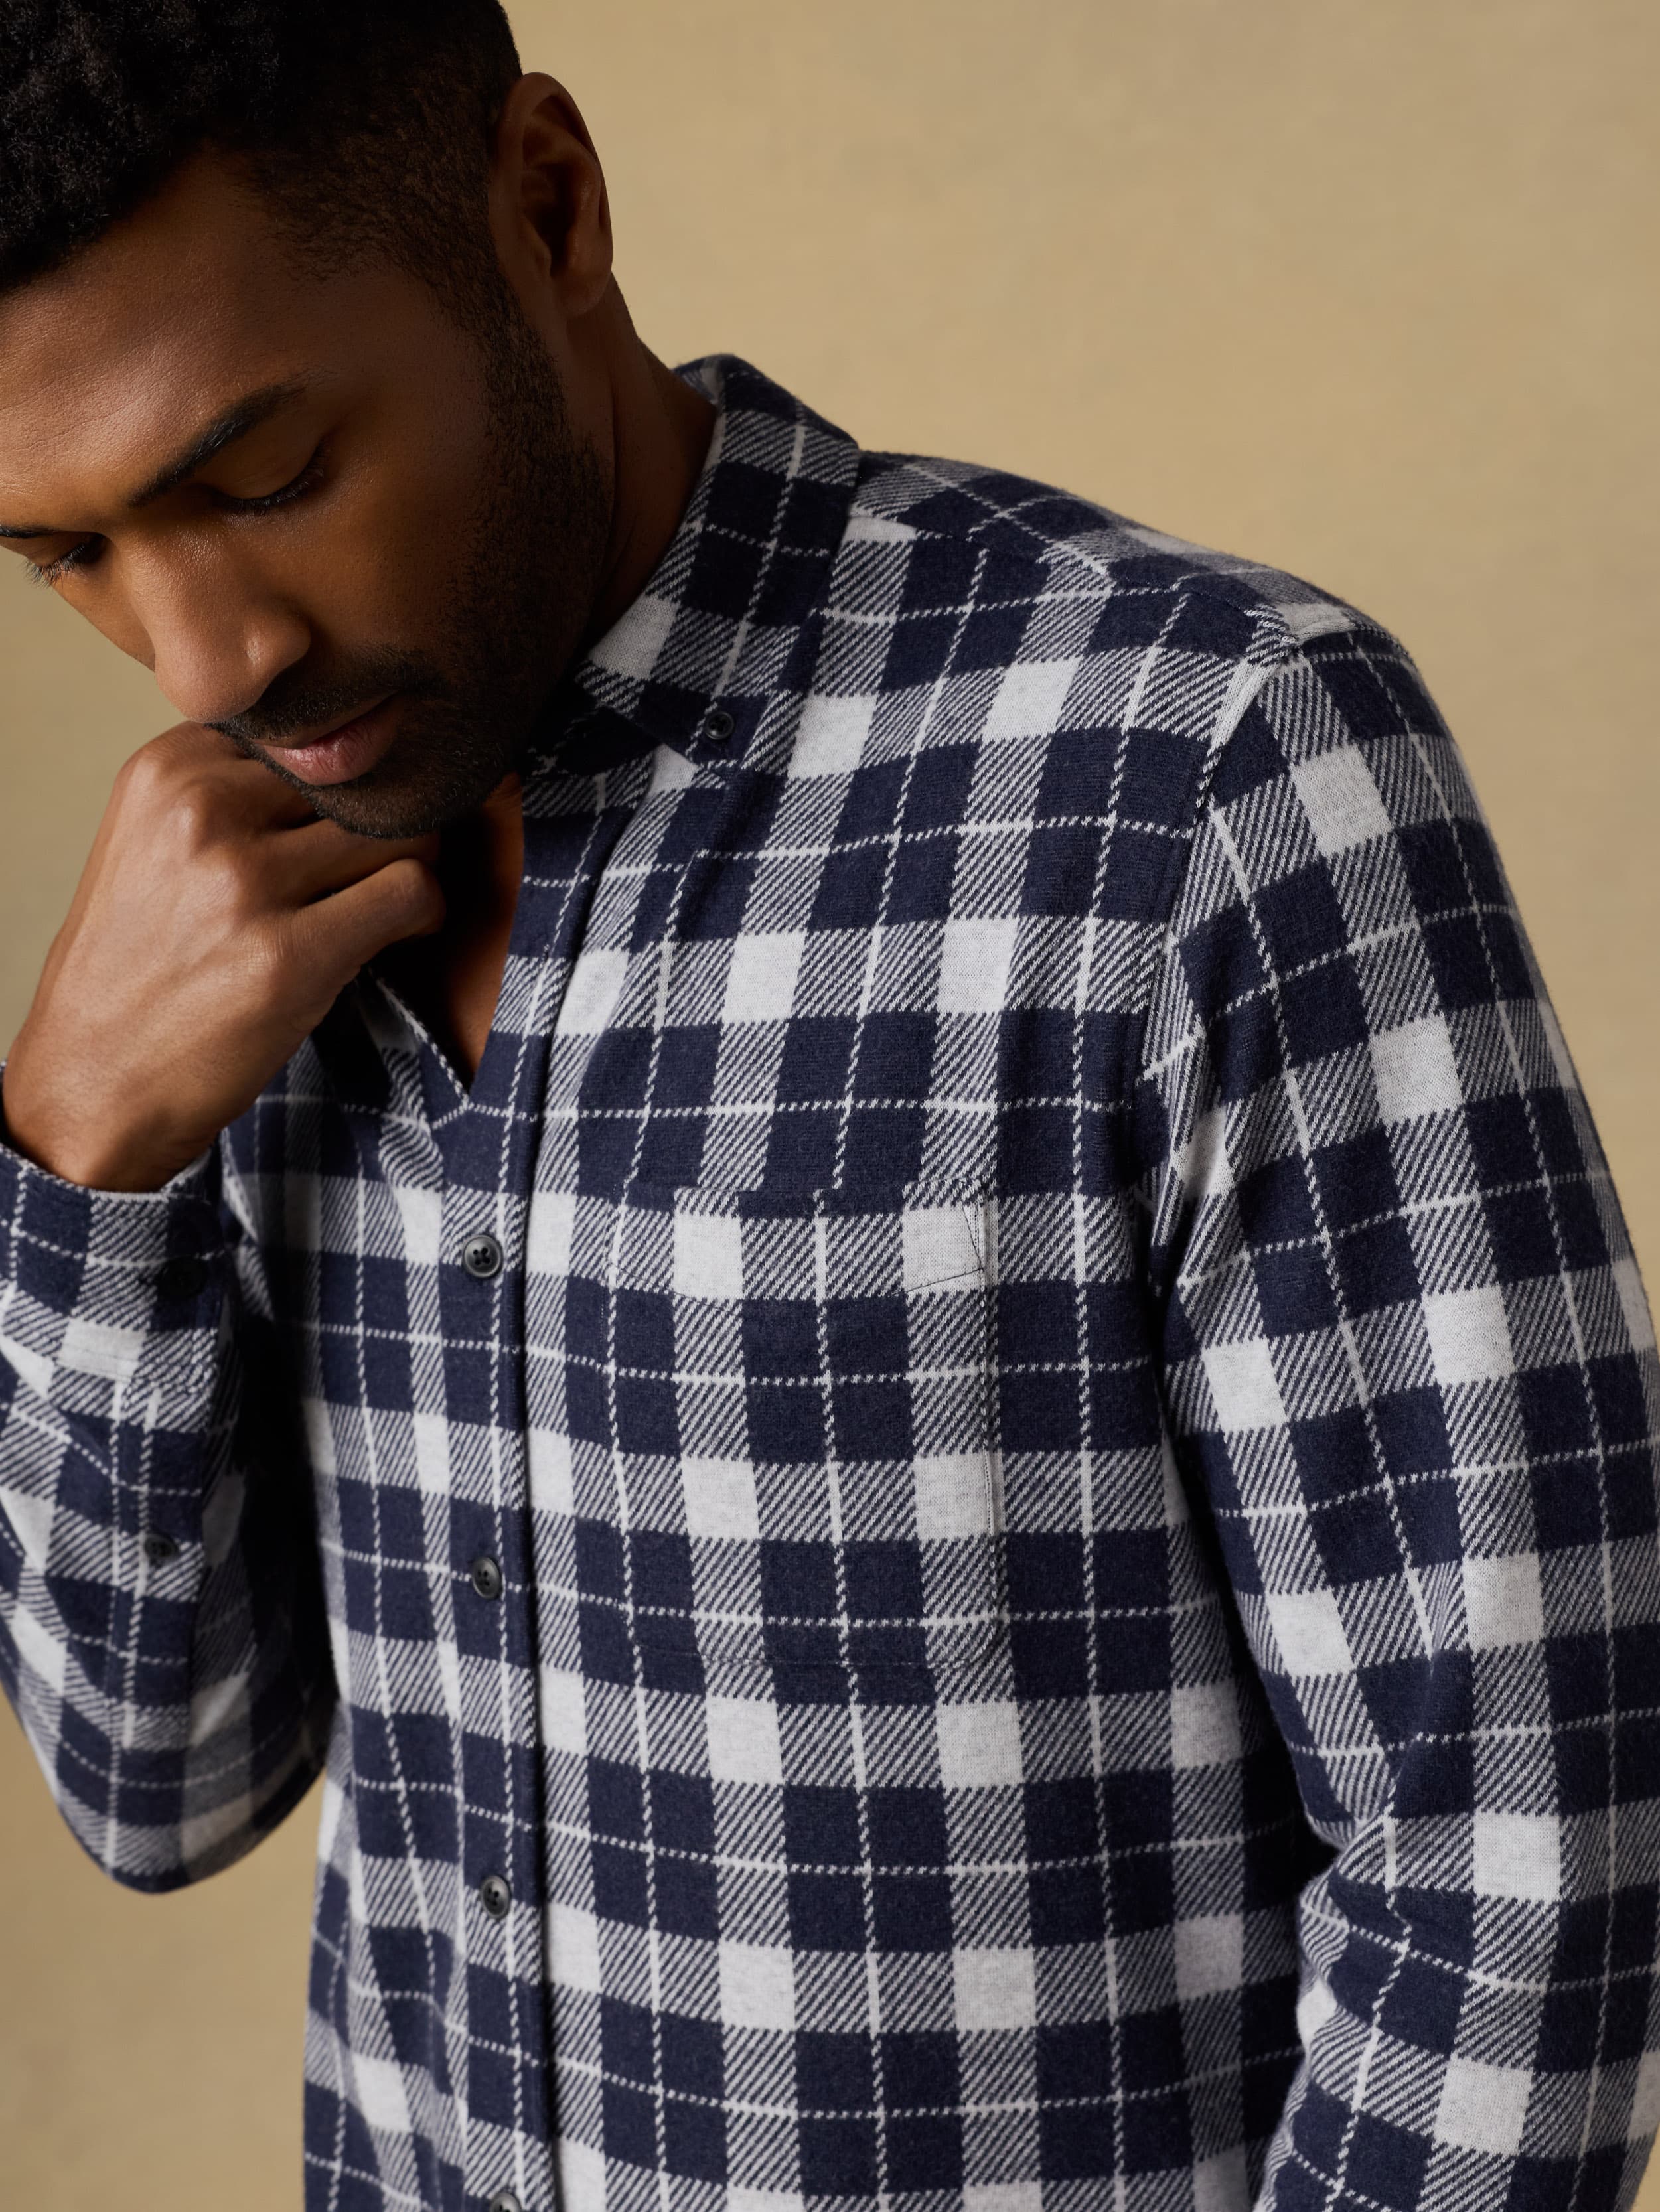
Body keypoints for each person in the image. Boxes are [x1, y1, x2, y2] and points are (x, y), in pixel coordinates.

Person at [2, 5, 1657, 2209]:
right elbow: (157, 1781)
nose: (205, 659)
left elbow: (1526, 1843)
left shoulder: (1197, 769)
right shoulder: (214, 928)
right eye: (66, 556)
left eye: (266, 472)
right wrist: (75, 1162)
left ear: (549, 205)